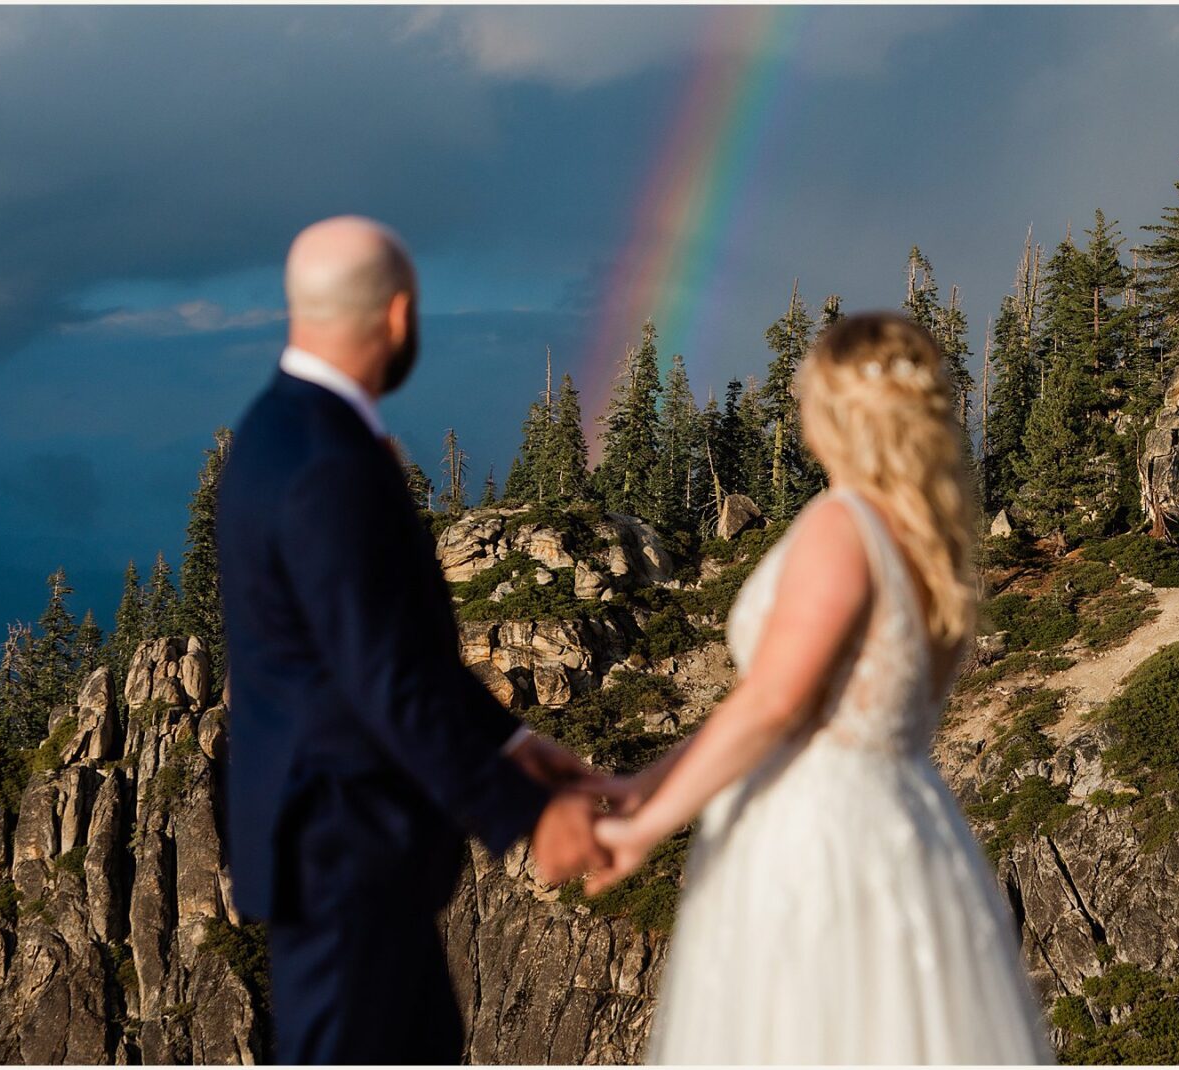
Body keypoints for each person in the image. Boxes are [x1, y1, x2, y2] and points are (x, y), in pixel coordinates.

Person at [587, 312, 1053, 1063]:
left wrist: (645, 825)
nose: (796, 402)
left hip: (818, 840)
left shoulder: (844, 524)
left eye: (807, 390)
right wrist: (643, 785)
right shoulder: (926, 539)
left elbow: (776, 701)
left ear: (837, 410)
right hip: (903, 826)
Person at [216, 215, 607, 1063]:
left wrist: (510, 741)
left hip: (344, 851)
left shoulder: (275, 431)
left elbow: (380, 649)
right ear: (399, 316)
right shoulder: (328, 459)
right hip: (345, 849)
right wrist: (528, 817)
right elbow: (384, 676)